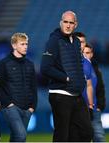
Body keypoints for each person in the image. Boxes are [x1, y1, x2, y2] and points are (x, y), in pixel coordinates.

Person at [40, 11, 93, 142]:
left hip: (76, 95)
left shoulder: (75, 41)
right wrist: (66, 78)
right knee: (62, 135)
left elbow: (77, 65)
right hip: (60, 94)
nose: (68, 25)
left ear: (76, 25)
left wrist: (80, 80)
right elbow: (45, 68)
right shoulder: (54, 41)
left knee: (86, 132)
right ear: (60, 23)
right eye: (65, 22)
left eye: (71, 23)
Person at [0, 33, 37, 142]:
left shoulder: (30, 64)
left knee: (17, 137)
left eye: (26, 44)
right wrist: (8, 104)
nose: (25, 46)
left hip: (27, 108)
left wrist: (32, 106)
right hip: (11, 107)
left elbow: (33, 86)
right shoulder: (4, 63)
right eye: (22, 44)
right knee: (21, 135)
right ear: (14, 46)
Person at [82, 44, 105, 142]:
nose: (85, 55)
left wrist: (100, 106)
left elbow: (100, 89)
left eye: (87, 53)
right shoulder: (77, 68)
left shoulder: (96, 69)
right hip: (79, 109)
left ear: (91, 54)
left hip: (94, 109)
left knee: (99, 137)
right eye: (83, 53)